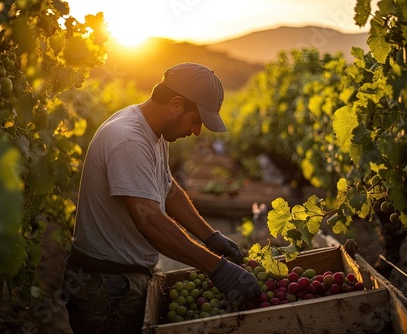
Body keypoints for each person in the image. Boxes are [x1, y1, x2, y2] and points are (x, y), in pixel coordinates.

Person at [61, 63, 262, 333]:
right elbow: (151, 221)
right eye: (196, 120)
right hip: (106, 288)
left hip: (119, 280)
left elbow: (169, 190)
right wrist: (216, 268)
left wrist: (210, 235)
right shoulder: (129, 140)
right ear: (176, 104)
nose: (197, 131)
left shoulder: (153, 132)